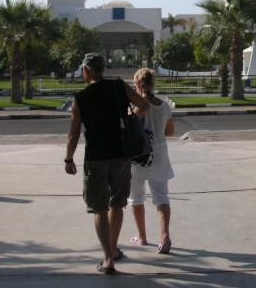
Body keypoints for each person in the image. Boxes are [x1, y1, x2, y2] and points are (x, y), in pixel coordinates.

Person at [64, 53, 149, 274]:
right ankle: (113, 248)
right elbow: (143, 104)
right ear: (103, 69)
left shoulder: (81, 98)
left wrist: (68, 159)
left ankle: (108, 259)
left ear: (86, 71)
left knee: (99, 208)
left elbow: (73, 134)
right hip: (121, 154)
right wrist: (130, 119)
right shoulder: (119, 86)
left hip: (95, 156)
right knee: (117, 204)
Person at [128, 68, 175, 254]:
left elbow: (129, 127)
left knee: (136, 197)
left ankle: (142, 236)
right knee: (161, 197)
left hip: (138, 157)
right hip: (160, 156)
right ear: (153, 84)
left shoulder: (136, 107)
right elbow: (170, 132)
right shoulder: (164, 106)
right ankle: (165, 236)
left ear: (137, 85)